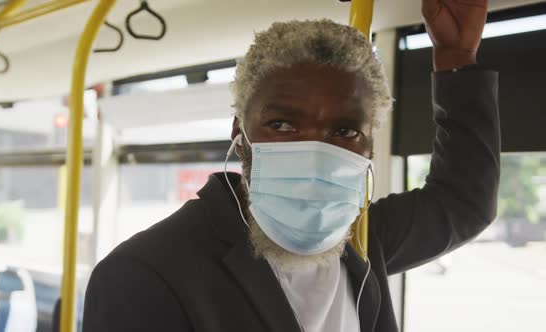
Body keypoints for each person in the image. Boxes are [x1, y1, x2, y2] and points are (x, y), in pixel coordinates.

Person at [83, 0, 500, 331]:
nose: (314, 152)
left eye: (344, 131)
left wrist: (456, 57)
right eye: (281, 124)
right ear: (239, 132)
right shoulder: (146, 274)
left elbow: (463, 202)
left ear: (370, 146)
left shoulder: (364, 240)